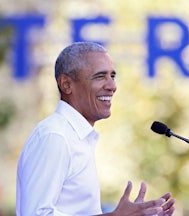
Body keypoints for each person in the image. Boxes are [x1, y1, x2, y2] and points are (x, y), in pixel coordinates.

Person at [16, 41, 176, 216]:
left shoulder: (76, 137)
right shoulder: (55, 136)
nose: (112, 86)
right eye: (100, 77)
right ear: (66, 84)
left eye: (112, 76)